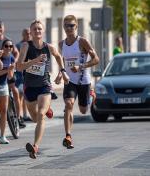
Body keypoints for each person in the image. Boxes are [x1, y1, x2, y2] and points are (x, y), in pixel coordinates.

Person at [17, 20, 69, 159]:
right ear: (31, 32)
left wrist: (62, 72)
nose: (37, 31)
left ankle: (35, 146)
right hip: (29, 87)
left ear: (43, 31)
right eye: (34, 29)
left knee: (40, 115)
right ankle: (47, 110)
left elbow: (59, 57)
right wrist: (35, 60)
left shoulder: (49, 47)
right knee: (35, 118)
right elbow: (19, 67)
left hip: (44, 85)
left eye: (40, 29)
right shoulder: (25, 46)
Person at [55, 15, 99, 149]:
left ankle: (91, 95)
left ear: (76, 27)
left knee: (83, 110)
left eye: (71, 25)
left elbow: (96, 59)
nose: (69, 28)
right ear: (63, 27)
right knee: (69, 105)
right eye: (66, 25)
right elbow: (62, 61)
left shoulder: (82, 42)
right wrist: (60, 73)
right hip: (69, 81)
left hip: (83, 80)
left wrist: (80, 67)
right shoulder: (61, 44)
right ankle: (68, 136)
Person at [0, 39, 16, 144]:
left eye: (11, 46)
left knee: (4, 111)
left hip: (4, 85)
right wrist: (7, 70)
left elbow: (10, 76)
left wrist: (11, 71)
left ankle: (2, 135)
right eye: (6, 46)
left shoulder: (11, 58)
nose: (8, 48)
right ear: (2, 47)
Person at [15, 28, 32, 122]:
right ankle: (19, 115)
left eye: (29, 33)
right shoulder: (18, 45)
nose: (28, 35)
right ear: (23, 34)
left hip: (30, 74)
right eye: (26, 33)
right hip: (20, 75)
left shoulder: (34, 45)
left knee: (27, 95)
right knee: (20, 94)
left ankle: (25, 115)